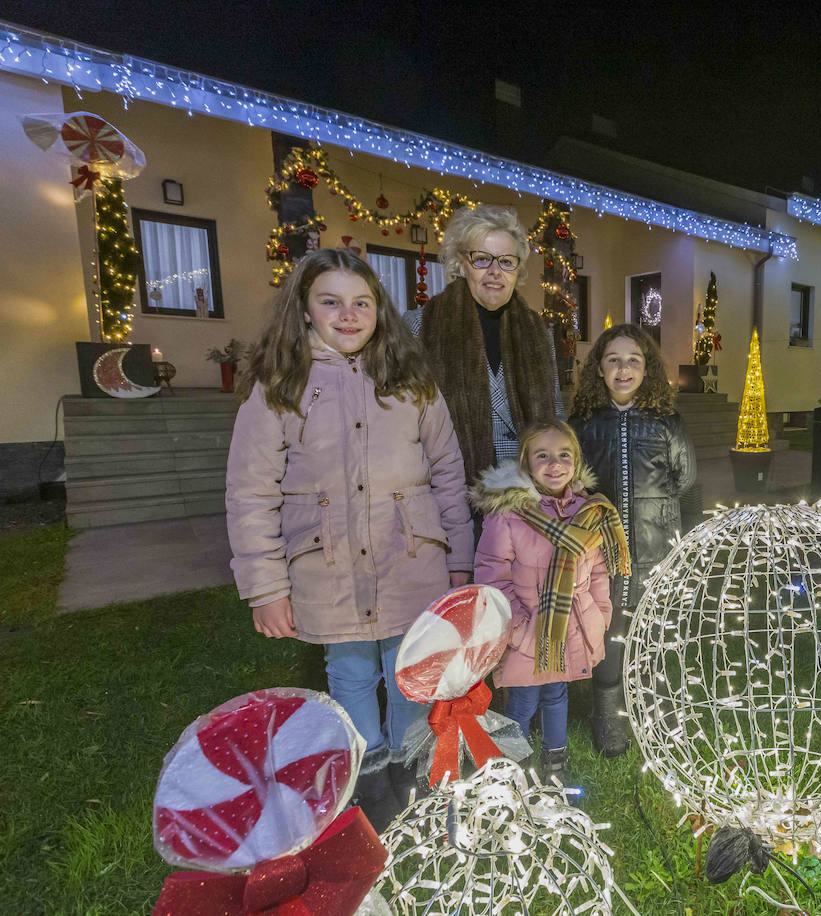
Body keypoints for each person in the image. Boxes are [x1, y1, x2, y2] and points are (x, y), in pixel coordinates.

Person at [226, 248, 474, 829]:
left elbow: (447, 472)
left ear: (379, 310)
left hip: (408, 559)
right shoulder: (280, 386)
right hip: (330, 564)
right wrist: (265, 585)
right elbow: (250, 490)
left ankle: (412, 761)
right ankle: (368, 770)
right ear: (305, 310)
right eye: (330, 301)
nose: (348, 313)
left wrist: (459, 560)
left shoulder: (411, 383)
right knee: (352, 670)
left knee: (409, 669)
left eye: (361, 301)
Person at [473, 420, 628, 779]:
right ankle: (511, 766)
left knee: (557, 694)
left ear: (576, 461)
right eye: (543, 455)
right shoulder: (509, 516)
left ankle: (555, 760)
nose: (554, 463)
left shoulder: (588, 512)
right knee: (524, 700)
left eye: (564, 455)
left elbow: (600, 572)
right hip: (526, 630)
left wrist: (600, 615)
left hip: (570, 628)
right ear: (526, 461)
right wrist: (519, 629)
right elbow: (492, 577)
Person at [569, 324, 696, 756]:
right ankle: (608, 718)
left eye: (633, 360)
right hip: (602, 552)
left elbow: (685, 479)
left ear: (648, 369)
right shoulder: (584, 424)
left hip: (657, 546)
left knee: (656, 632)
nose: (624, 369)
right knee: (608, 631)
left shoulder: (666, 423)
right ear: (599, 370)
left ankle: (659, 714)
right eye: (613, 360)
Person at [417, 204, 562, 490]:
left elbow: (555, 419)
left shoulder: (539, 333)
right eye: (482, 259)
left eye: (507, 261)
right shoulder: (419, 326)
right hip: (454, 496)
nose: (496, 272)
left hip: (529, 496)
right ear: (461, 263)